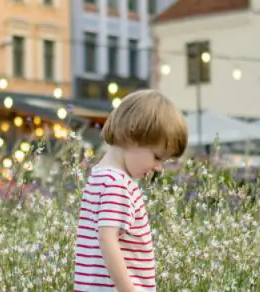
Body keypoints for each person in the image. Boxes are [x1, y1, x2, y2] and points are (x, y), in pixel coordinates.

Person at [74, 89, 188, 291]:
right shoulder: (118, 184)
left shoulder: (100, 176)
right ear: (132, 137)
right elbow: (107, 238)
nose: (158, 167)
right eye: (157, 157)